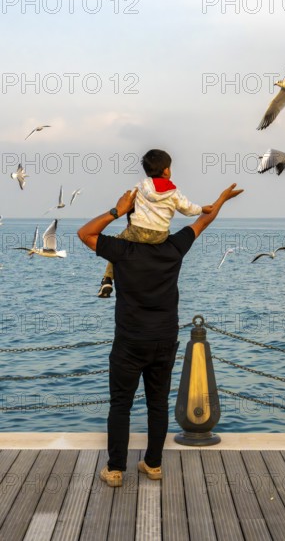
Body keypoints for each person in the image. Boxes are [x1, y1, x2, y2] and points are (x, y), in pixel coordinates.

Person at [77, 182, 244, 487]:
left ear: (133, 220)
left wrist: (117, 209)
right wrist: (221, 198)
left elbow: (85, 234)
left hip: (129, 342)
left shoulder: (122, 250)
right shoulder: (174, 247)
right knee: (158, 404)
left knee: (120, 405)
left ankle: (115, 470)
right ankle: (153, 465)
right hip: (164, 341)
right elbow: (204, 219)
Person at [97, 149, 213, 297]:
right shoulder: (173, 191)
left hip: (137, 231)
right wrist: (202, 208)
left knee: (117, 243)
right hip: (160, 236)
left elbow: (130, 200)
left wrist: (120, 209)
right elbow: (187, 208)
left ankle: (107, 279)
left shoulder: (142, 185)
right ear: (166, 171)